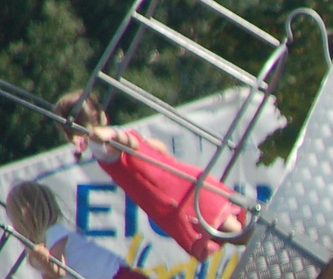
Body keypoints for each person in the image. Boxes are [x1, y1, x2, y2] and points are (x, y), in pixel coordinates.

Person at [55, 90, 246, 259]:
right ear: (98, 113)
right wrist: (112, 138)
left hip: (178, 190)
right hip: (177, 190)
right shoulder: (101, 143)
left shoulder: (107, 139)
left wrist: (117, 138)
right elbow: (134, 145)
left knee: (235, 230)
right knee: (234, 230)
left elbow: (138, 145)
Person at [5, 180, 203, 279]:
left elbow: (59, 269)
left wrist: (45, 261)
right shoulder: (43, 246)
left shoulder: (54, 233)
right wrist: (42, 263)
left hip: (115, 278)